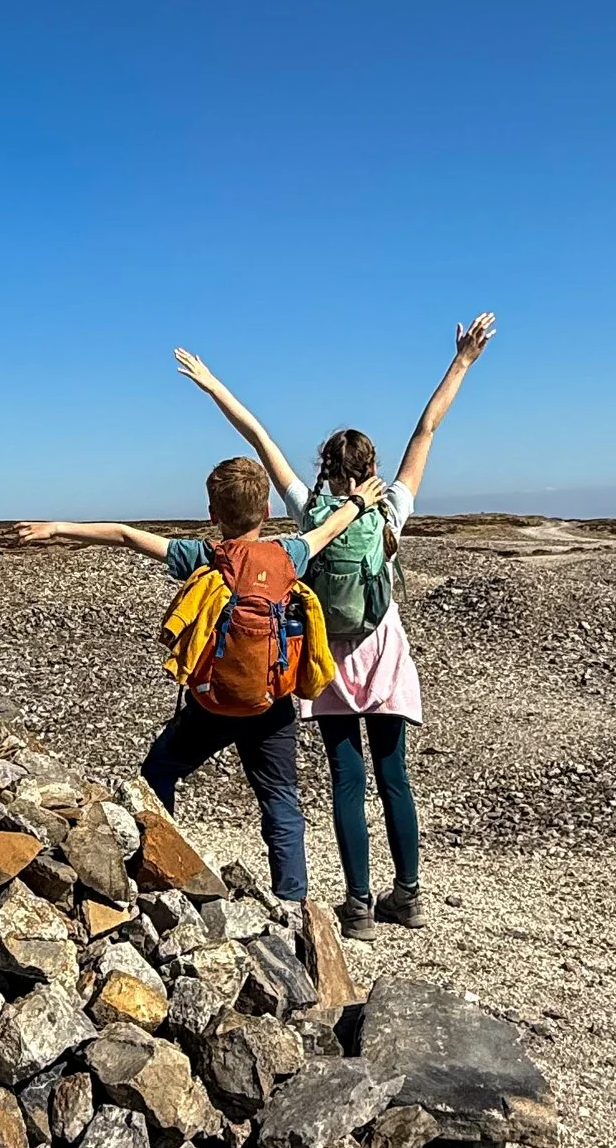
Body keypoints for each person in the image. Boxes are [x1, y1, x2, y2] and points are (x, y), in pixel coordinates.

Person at [172, 315, 496, 933]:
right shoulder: (391, 506)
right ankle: (409, 894)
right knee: (393, 774)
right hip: (385, 653)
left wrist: (212, 383)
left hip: (331, 662)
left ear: (326, 467)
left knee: (346, 778)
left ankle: (358, 906)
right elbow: (428, 426)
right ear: (369, 466)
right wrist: (463, 361)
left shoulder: (311, 509)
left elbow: (258, 434)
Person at [16, 454, 367, 903]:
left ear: (212, 514)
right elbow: (329, 530)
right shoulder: (287, 555)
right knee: (280, 797)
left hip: (211, 703)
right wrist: (356, 502)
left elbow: (127, 536)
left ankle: (162, 873)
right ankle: (292, 902)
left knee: (159, 771)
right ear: (267, 512)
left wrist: (58, 528)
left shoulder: (205, 556)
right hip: (270, 702)